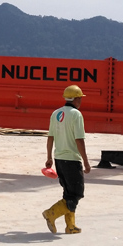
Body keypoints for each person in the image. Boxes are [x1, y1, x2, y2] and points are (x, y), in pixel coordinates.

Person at [42, 84, 91, 234]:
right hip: (72, 159)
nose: (81, 101)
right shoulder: (76, 115)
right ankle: (51, 213)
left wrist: (49, 157)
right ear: (76, 99)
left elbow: (50, 137)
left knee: (68, 193)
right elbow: (79, 140)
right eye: (80, 98)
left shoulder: (55, 113)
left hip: (59, 159)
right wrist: (87, 162)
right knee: (76, 193)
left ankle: (70, 226)